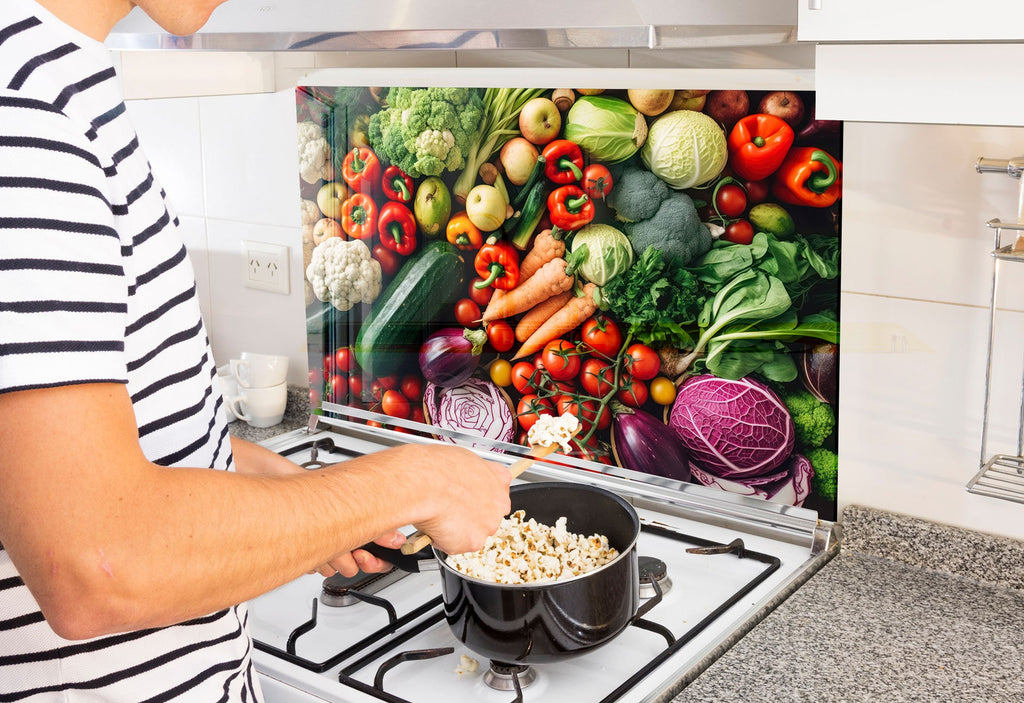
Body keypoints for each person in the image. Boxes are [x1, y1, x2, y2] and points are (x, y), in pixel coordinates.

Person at [0, 0, 512, 699]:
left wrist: (296, 498)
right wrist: (418, 480)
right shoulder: (24, 115)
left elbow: (82, 452)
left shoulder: (55, 80)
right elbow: (95, 563)